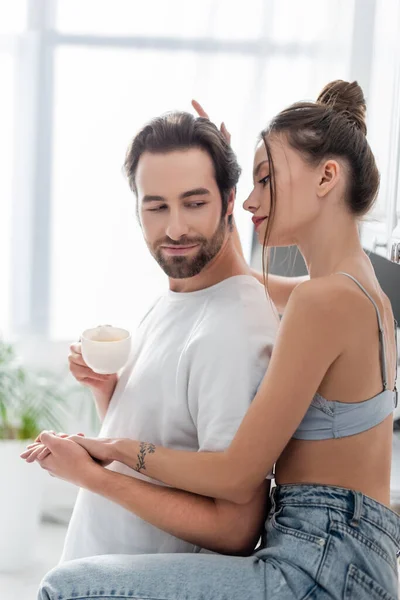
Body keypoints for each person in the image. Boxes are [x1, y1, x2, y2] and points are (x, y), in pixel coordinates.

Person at [34, 79, 399, 599]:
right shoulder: (354, 289)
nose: (251, 201)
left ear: (327, 177)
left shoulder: (324, 303)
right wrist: (214, 198)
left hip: (320, 564)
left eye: (267, 180)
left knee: (66, 589)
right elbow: (241, 278)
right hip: (346, 552)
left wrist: (109, 452)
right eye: (244, 188)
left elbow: (236, 475)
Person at [22, 111, 302, 562]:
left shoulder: (233, 328)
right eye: (156, 207)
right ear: (137, 209)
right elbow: (165, 442)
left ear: (230, 200)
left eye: (194, 204)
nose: (174, 229)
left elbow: (234, 528)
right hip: (98, 577)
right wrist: (107, 390)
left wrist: (91, 477)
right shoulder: (178, 296)